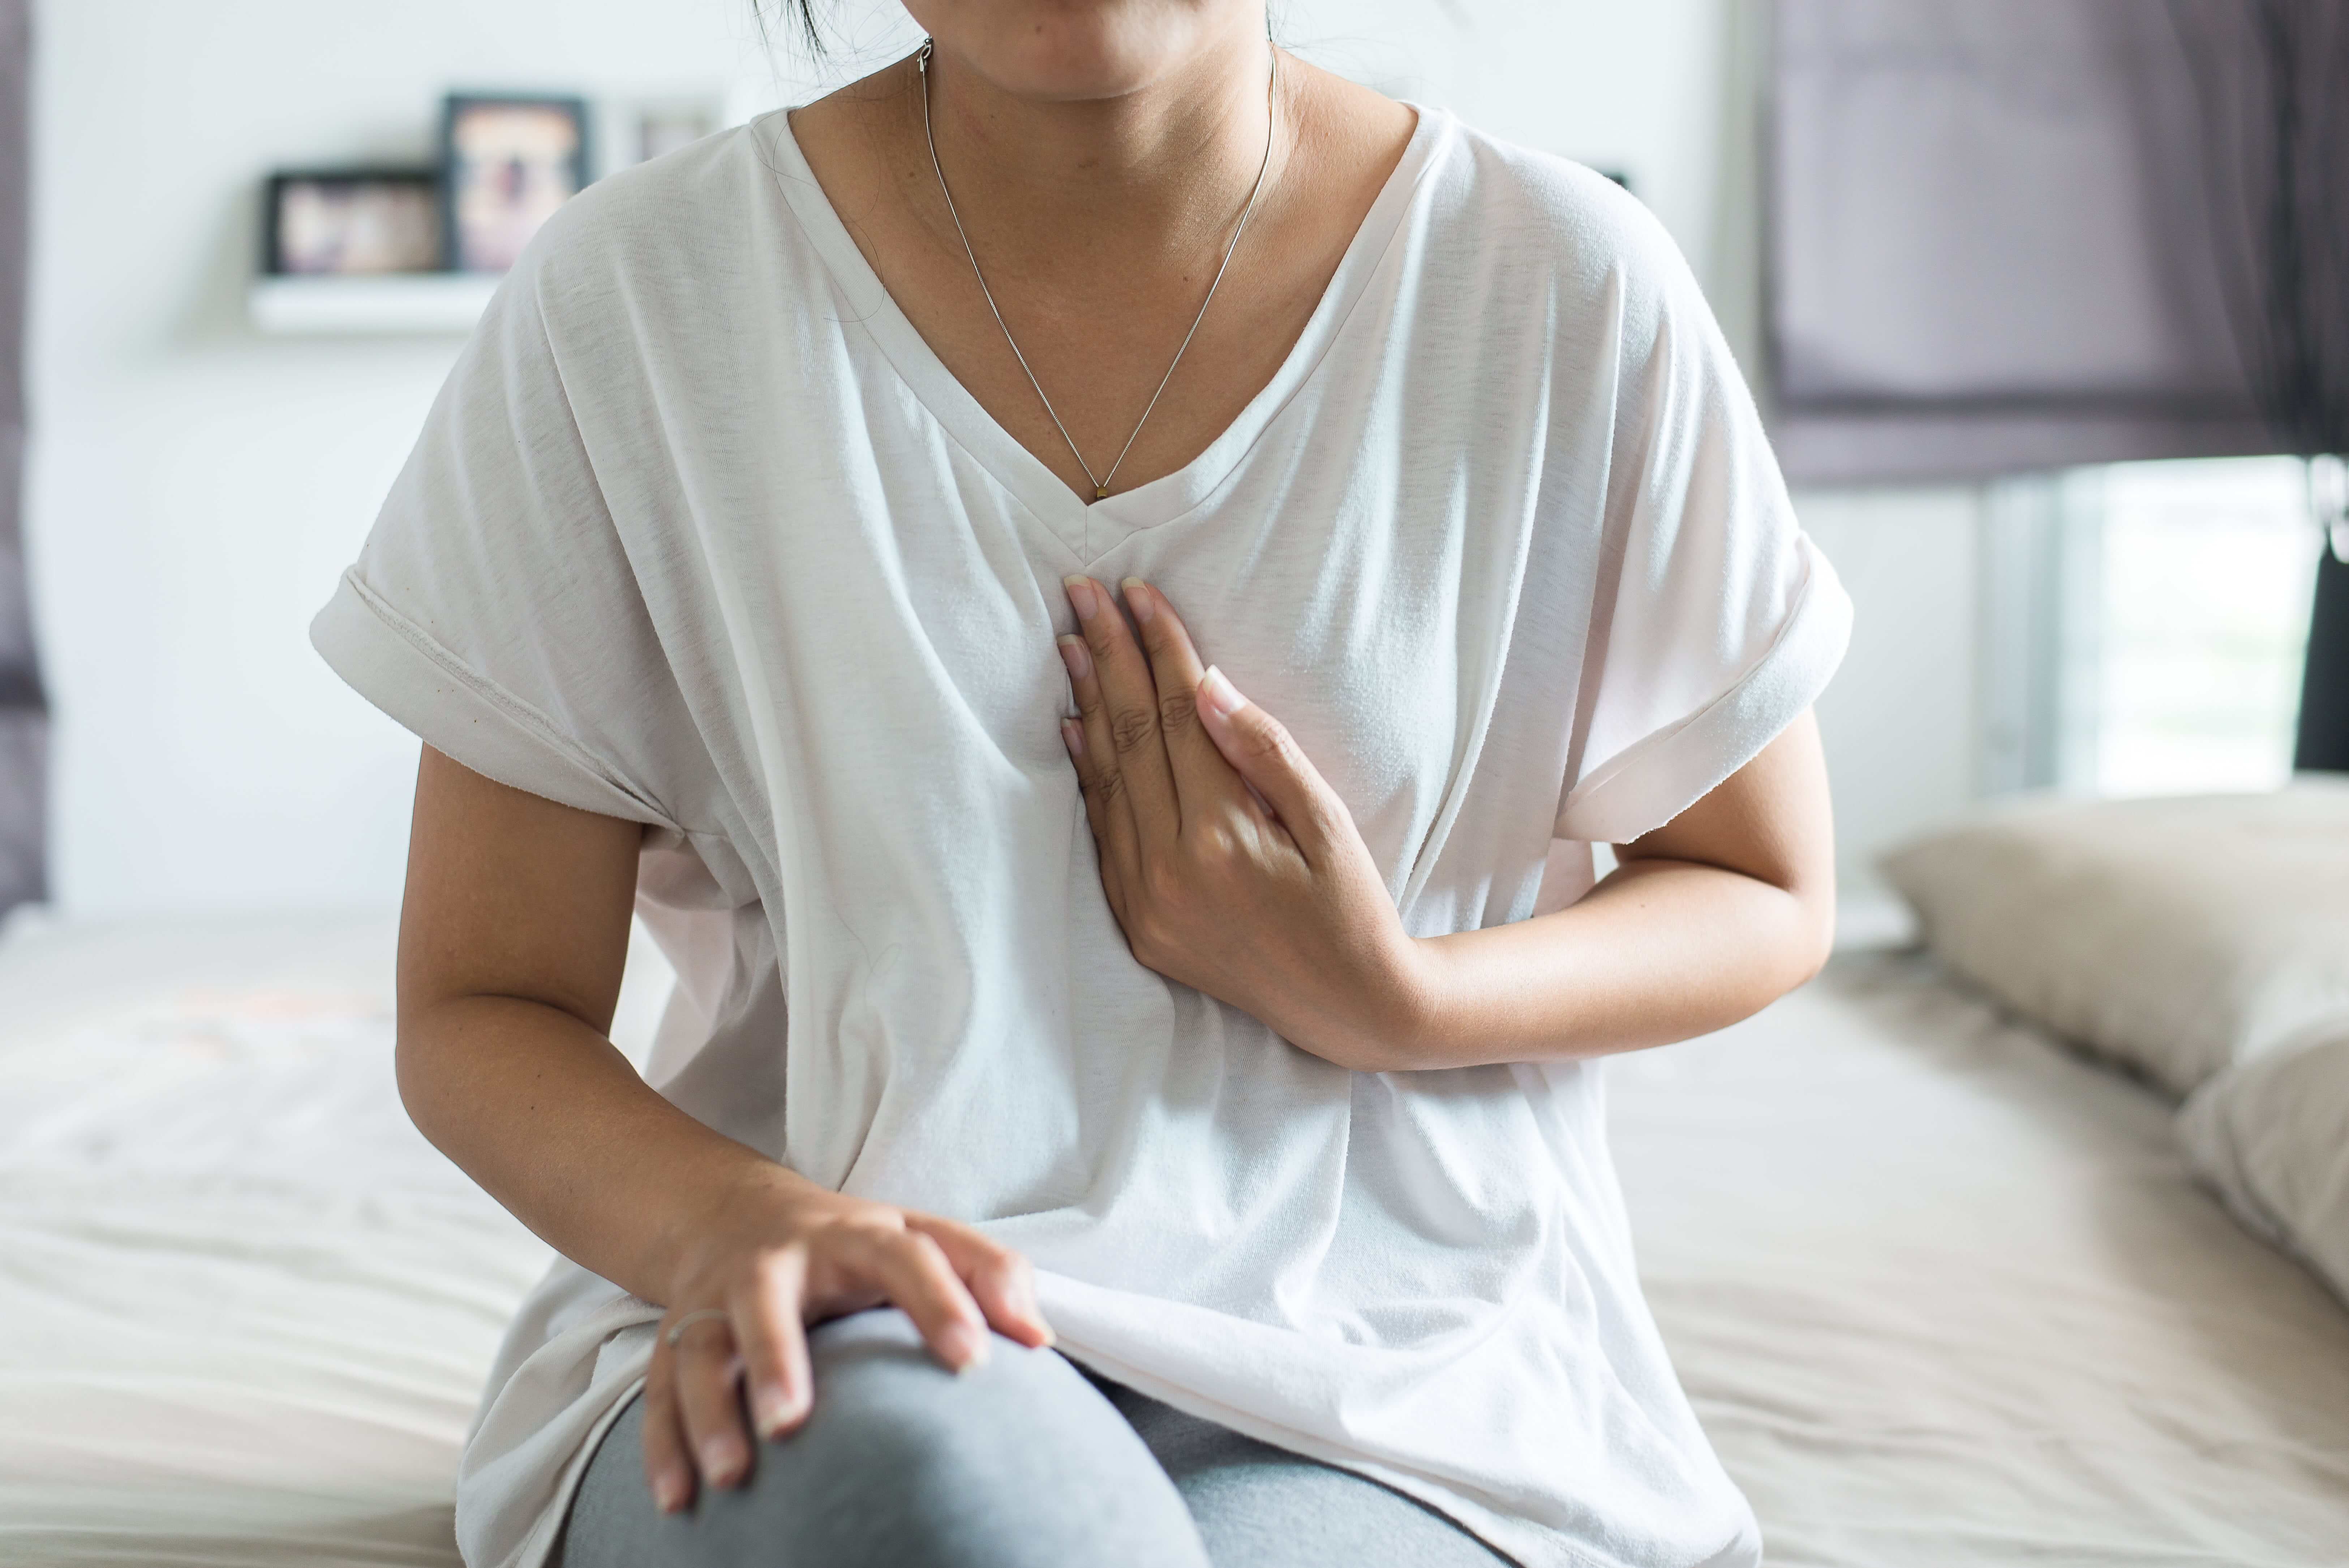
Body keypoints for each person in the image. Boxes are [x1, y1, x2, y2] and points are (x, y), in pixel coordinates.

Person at [311, 2, 1850, 1564]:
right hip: (854, 1341)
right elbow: (484, 1004)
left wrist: (1396, 998)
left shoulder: (1558, 283)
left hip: (1399, 1383)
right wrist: (731, 1224)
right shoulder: (636, 300)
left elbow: (1759, 883)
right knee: (972, 1517)